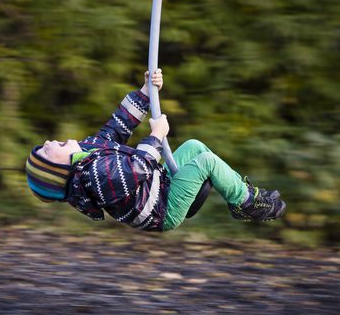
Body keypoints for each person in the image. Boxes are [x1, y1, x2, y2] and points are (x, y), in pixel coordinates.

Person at [25, 69, 286, 231]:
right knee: (205, 160)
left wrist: (146, 92)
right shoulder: (93, 177)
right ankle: (245, 202)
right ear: (60, 170)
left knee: (195, 146)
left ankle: (237, 193)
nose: (47, 143)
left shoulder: (89, 150)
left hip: (160, 184)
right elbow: (136, 169)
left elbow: (117, 126)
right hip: (162, 210)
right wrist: (156, 136)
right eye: (45, 153)